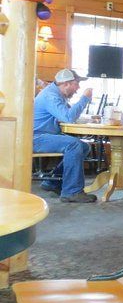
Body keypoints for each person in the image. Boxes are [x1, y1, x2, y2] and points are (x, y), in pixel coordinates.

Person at [32, 69, 96, 203]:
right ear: (66, 84)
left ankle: (52, 182)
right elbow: (68, 117)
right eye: (76, 84)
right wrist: (84, 99)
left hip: (44, 135)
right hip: (37, 138)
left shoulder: (56, 94)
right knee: (74, 144)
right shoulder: (51, 96)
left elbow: (68, 113)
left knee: (84, 147)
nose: (78, 88)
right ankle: (72, 191)